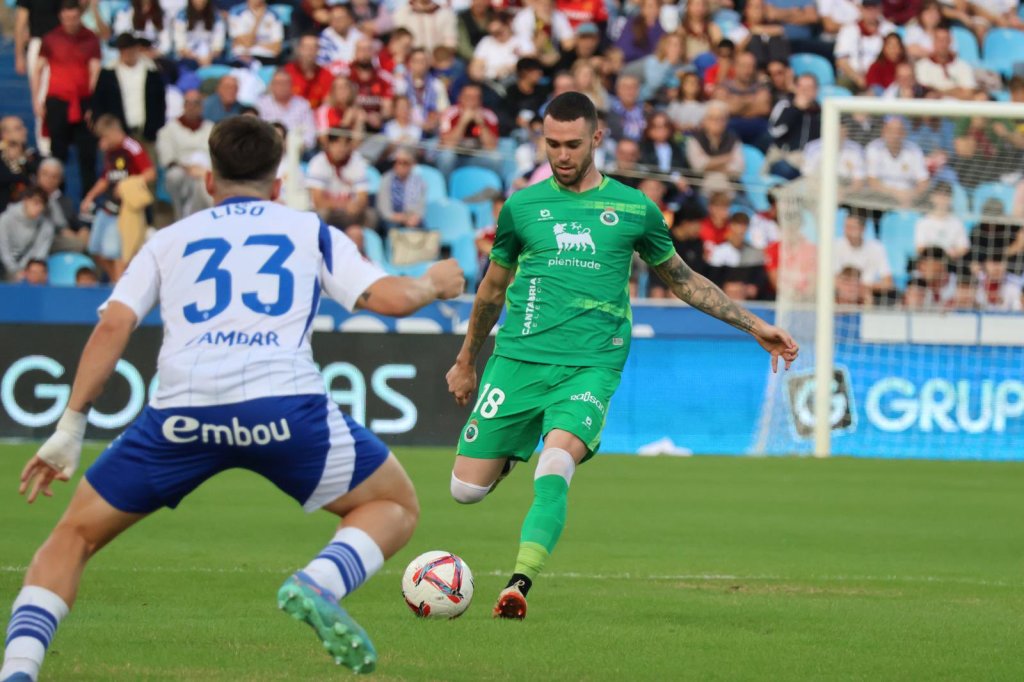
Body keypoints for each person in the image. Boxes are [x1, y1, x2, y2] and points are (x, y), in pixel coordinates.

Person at [1, 116, 466, 681]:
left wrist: (70, 428)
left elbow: (113, 327)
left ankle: (18, 673)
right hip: (283, 406)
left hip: (181, 414)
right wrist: (432, 283)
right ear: (276, 182)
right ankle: (321, 580)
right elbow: (384, 298)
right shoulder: (308, 229)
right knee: (393, 506)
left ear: (208, 179)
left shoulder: (167, 240)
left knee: (71, 537)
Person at [443, 92, 799, 619]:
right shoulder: (522, 207)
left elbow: (683, 280)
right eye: (552, 144)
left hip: (592, 362)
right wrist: (466, 360)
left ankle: (520, 582)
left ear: (597, 139)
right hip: (517, 358)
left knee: (558, 459)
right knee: (464, 492)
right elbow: (493, 289)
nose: (561, 156)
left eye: (572, 144)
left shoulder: (634, 209)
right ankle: (508, 455)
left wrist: (753, 325)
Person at [34, 0, 101, 194]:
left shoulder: (90, 38)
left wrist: (92, 104)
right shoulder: (50, 39)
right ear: (61, 17)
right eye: (67, 18)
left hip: (83, 101)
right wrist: (37, 99)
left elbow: (94, 71)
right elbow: (38, 69)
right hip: (58, 101)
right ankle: (57, 198)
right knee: (58, 154)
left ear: (79, 16)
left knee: (87, 155)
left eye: (74, 17)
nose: (71, 22)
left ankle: (88, 202)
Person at [80, 115, 157, 282]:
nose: (102, 142)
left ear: (114, 132)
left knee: (118, 254)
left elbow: (150, 173)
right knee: (95, 249)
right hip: (108, 206)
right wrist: (90, 197)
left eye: (105, 137)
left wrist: (126, 186)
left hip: (126, 211)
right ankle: (118, 282)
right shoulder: (109, 151)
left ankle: (118, 289)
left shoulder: (132, 147)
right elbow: (106, 178)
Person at [91, 34, 167, 147]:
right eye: (123, 50)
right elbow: (99, 102)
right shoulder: (108, 73)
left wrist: (155, 127)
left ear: (137, 48)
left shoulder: (151, 72)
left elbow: (160, 103)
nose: (127, 53)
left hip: (146, 133)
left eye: (130, 49)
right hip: (117, 135)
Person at [156, 90, 214, 220]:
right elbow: (167, 158)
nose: (192, 107)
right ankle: (181, 217)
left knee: (205, 180)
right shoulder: (169, 129)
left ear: (202, 106)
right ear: (183, 105)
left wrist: (203, 170)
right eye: (188, 103)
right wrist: (188, 168)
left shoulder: (211, 128)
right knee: (175, 176)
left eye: (196, 103)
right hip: (181, 170)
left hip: (205, 170)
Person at [765, 73, 820, 179]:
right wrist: (796, 109)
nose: (804, 91)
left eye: (809, 87)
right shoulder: (785, 105)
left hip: (810, 159)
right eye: (801, 87)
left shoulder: (820, 111)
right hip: (784, 155)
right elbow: (774, 131)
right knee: (784, 169)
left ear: (816, 90)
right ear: (796, 88)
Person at [834, 213, 895, 297]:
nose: (847, 231)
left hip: (867, 295)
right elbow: (833, 280)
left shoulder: (877, 248)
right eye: (846, 227)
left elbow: (888, 283)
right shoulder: (834, 245)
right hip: (840, 296)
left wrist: (862, 288)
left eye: (852, 227)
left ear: (863, 229)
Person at [0, 187, 54, 281]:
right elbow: (3, 248)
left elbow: (39, 254)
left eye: (42, 204)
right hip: (3, 267)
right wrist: (14, 270)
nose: (39, 207)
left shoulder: (46, 227)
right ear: (25, 201)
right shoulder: (5, 219)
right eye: (35, 202)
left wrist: (25, 272)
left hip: (27, 273)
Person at [913, 24, 979, 100]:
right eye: (939, 40)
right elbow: (927, 93)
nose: (943, 44)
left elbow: (968, 94)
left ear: (950, 41)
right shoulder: (922, 66)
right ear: (933, 41)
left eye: (946, 40)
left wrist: (939, 91)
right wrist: (956, 90)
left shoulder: (963, 66)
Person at [257, 70, 318, 152]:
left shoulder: (303, 105)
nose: (282, 86)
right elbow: (257, 131)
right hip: (267, 150)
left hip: (297, 152)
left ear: (292, 85)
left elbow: (310, 134)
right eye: (278, 83)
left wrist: (295, 146)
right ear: (271, 85)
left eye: (285, 83)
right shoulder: (261, 104)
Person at [37, 157, 87, 253]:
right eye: (45, 174)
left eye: (54, 177)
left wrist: (83, 230)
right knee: (78, 245)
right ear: (38, 174)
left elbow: (76, 221)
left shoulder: (65, 200)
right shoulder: (32, 198)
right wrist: (61, 231)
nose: (49, 180)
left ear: (60, 180)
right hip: (46, 239)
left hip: (68, 238)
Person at [915, 181, 969, 260]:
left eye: (946, 195)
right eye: (939, 195)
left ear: (951, 199)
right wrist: (937, 255)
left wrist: (951, 254)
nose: (942, 199)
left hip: (950, 263)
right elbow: (920, 248)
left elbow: (964, 247)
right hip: (930, 263)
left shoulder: (957, 222)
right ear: (932, 197)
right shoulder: (923, 222)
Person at [376, 147, 427, 230]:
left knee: (421, 226)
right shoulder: (386, 179)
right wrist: (402, 218)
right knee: (392, 225)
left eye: (404, 163)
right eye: (397, 162)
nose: (399, 165)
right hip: (391, 219)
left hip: (410, 218)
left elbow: (420, 209)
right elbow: (384, 211)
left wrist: (413, 218)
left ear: (412, 164)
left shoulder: (419, 182)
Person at [283, 33, 335, 109]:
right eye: (306, 47)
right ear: (299, 49)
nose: (310, 52)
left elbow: (328, 103)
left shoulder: (326, 75)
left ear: (318, 51)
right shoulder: (287, 72)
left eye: (313, 48)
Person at [173, 0, 227, 69]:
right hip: (189, 58)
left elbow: (218, 43)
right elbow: (180, 45)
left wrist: (209, 57)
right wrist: (197, 58)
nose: (199, 1)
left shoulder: (216, 15)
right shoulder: (181, 15)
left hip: (210, 57)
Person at [228, 0, 284, 65]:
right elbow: (247, 43)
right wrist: (257, 20)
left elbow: (277, 48)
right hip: (242, 58)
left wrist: (255, 42)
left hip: (267, 58)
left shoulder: (274, 14)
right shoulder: (237, 12)